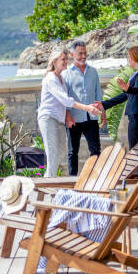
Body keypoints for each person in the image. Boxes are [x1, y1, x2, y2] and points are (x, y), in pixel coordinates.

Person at [37, 49, 101, 178]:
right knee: (52, 154)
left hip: (58, 120)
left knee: (58, 153)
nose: (66, 62)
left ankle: (50, 183)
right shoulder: (50, 79)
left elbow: (63, 101)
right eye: (63, 59)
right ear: (54, 61)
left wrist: (68, 116)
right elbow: (66, 100)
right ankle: (49, 186)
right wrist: (87, 108)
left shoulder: (60, 78)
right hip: (48, 118)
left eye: (67, 59)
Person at [95, 45, 138, 162]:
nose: (128, 60)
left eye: (129, 57)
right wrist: (104, 104)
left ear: (135, 57)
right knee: (136, 150)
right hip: (136, 117)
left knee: (136, 151)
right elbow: (126, 95)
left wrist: (128, 89)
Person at [62, 41, 106, 175]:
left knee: (95, 151)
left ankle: (96, 179)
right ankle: (72, 181)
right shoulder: (66, 74)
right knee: (72, 151)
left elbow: (98, 93)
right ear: (72, 54)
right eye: (80, 53)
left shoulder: (93, 72)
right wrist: (67, 116)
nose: (83, 56)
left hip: (91, 118)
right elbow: (65, 98)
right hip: (74, 119)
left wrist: (103, 113)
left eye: (85, 53)